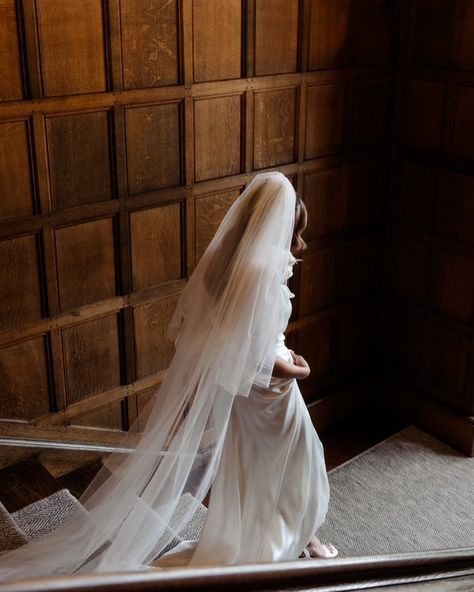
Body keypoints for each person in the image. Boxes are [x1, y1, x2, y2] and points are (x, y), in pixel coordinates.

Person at [0, 171, 336, 581]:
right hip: (270, 393)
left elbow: (246, 337)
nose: (296, 240)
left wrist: (283, 352)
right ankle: (290, 542)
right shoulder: (258, 271)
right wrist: (298, 367)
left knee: (258, 469)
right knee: (303, 461)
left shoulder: (225, 263)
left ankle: (295, 539)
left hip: (247, 395)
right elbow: (255, 351)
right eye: (293, 229)